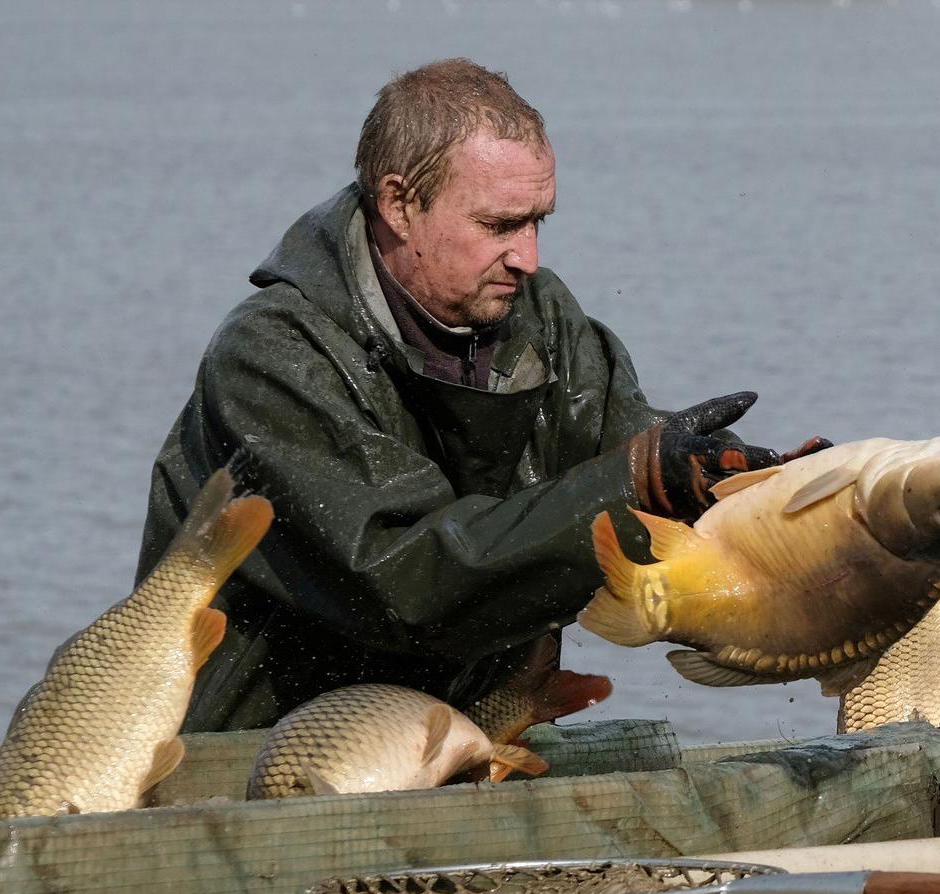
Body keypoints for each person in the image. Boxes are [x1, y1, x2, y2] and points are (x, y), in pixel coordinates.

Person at [138, 59, 823, 732]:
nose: (528, 256)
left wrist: (775, 496)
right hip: (258, 761)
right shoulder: (272, 359)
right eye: (499, 226)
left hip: (455, 736)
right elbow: (405, 577)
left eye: (538, 222)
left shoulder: (540, 319)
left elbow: (630, 453)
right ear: (399, 204)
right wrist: (634, 480)